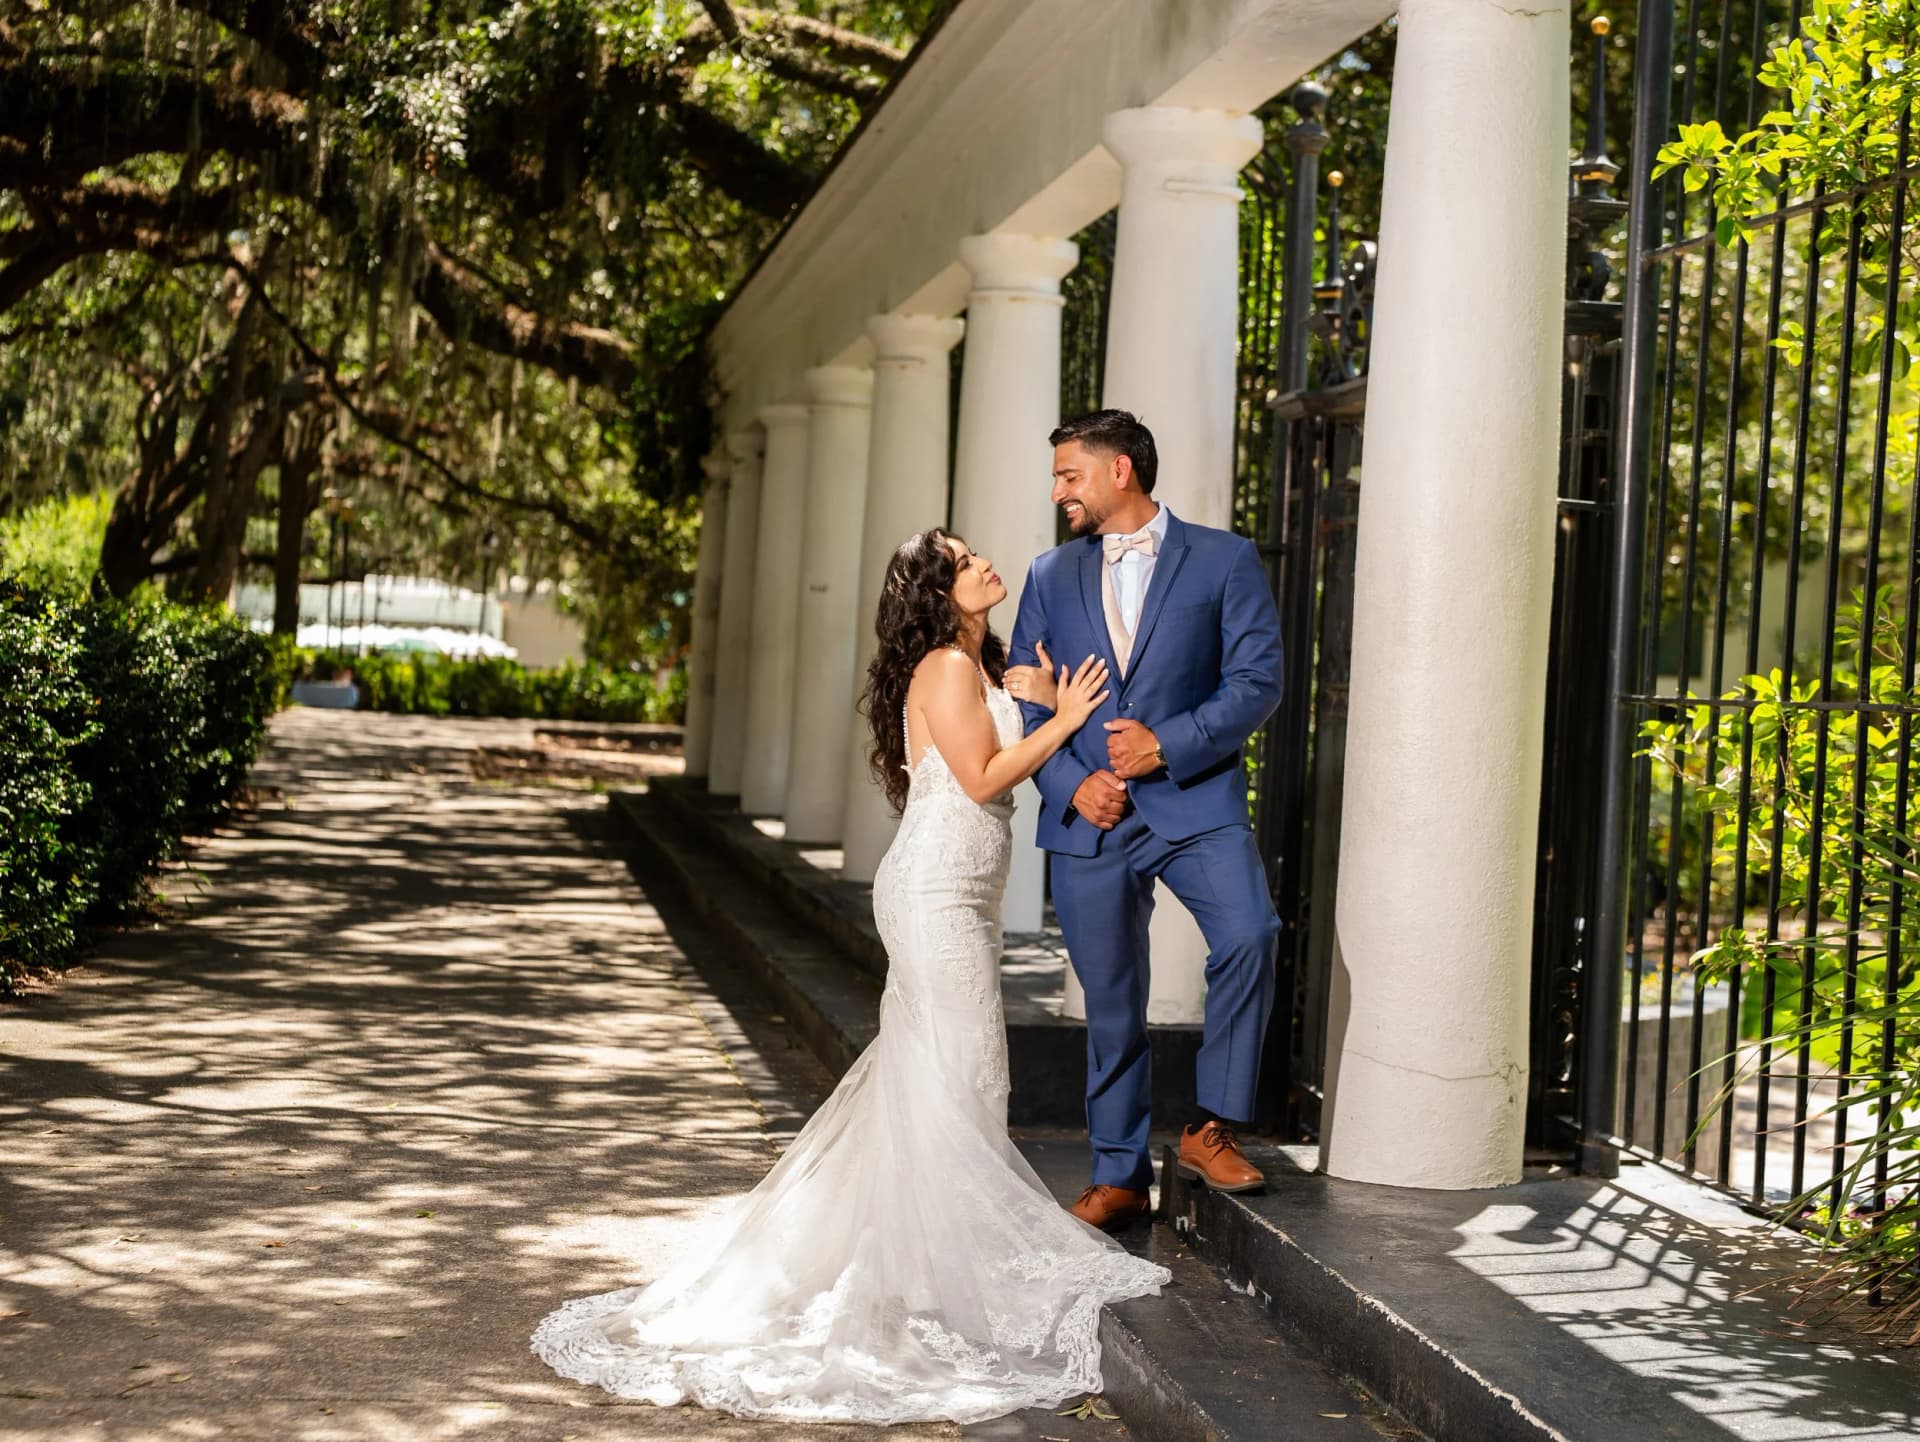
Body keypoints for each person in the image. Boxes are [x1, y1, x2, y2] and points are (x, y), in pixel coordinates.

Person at [532, 528, 1169, 1425]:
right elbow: (983, 777)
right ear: (941, 589)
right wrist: (1062, 721)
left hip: (963, 897)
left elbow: (990, 729)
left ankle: (927, 1266)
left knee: (945, 1078)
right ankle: (938, 1281)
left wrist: (1027, 691)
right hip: (936, 897)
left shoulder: (970, 666)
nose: (986, 562)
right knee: (964, 1075)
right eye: (965, 559)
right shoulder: (944, 673)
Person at [1003, 409, 1286, 1232]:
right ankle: (1118, 1173)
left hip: (1196, 803)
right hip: (1093, 817)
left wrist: (1168, 744)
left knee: (1250, 934)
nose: (1058, 491)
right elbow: (1026, 699)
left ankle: (1209, 1128)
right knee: (1113, 1000)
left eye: (1069, 476)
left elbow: (1257, 680)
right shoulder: (1049, 574)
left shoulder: (1225, 559)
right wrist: (1068, 784)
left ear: (1120, 470)